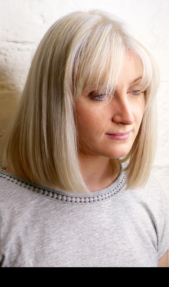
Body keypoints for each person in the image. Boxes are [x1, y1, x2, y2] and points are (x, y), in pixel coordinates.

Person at [0, 10, 169, 267]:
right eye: (100, 94)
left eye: (136, 90)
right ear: (55, 102)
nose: (128, 115)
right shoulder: (6, 212)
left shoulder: (147, 196)